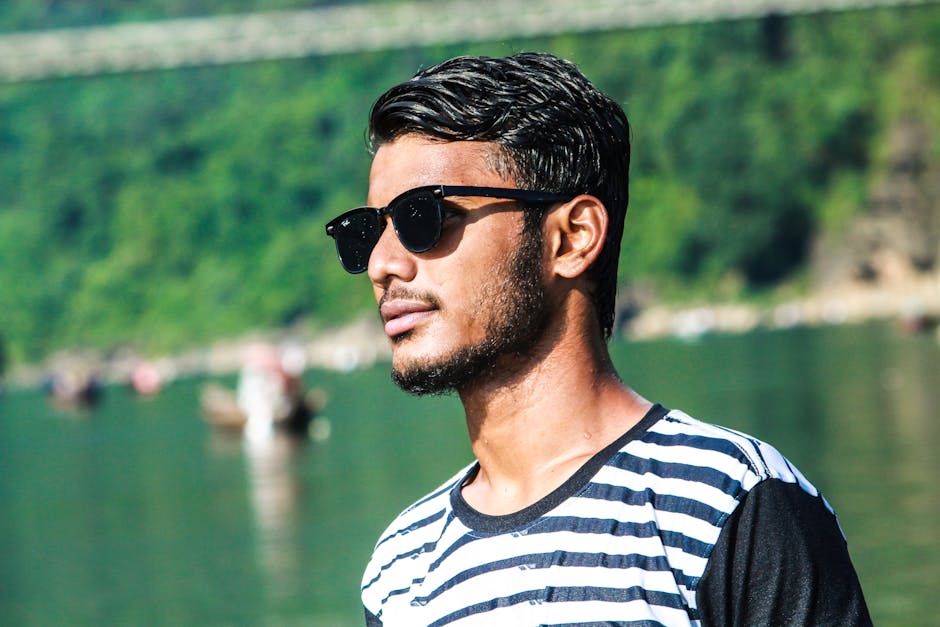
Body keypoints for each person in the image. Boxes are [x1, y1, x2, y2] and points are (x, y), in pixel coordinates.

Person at [325, 52, 871, 626]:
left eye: (421, 217)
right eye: (367, 233)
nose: (383, 264)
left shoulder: (730, 503)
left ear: (572, 238)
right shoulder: (401, 568)